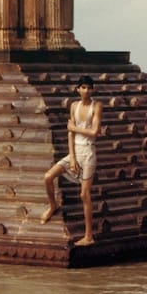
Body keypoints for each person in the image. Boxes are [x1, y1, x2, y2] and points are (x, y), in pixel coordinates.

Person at [41, 76, 104, 246]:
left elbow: (95, 132)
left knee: (84, 194)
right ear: (78, 89)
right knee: (48, 177)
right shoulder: (74, 106)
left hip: (89, 153)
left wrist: (74, 128)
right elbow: (71, 134)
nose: (86, 91)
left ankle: (89, 236)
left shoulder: (96, 106)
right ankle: (53, 205)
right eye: (83, 87)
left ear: (93, 90)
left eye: (89, 88)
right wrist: (73, 157)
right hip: (75, 152)